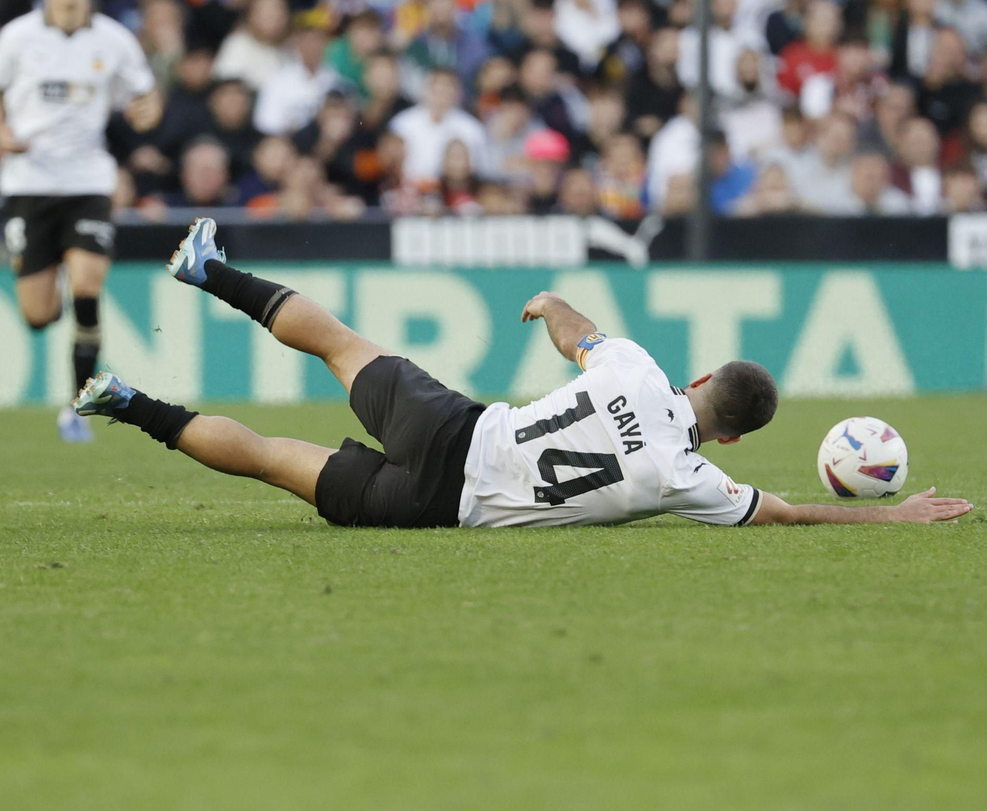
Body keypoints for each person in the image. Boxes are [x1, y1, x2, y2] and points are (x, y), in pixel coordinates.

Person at [72, 218, 972, 529]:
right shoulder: (688, 479)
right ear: (730, 434)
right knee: (273, 457)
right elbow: (777, 510)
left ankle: (206, 269)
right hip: (440, 511)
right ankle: (124, 400)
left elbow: (581, 334)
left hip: (451, 427)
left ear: (698, 381)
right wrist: (888, 514)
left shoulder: (634, 369)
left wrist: (548, 303)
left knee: (340, 344)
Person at [0, 0, 162, 443]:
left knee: (87, 287)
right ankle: (51, 273)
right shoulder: (18, 36)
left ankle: (77, 407)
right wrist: (0, 131)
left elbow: (146, 98)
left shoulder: (113, 39)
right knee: (38, 315)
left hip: (87, 182)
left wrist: (148, 111)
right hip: (29, 183)